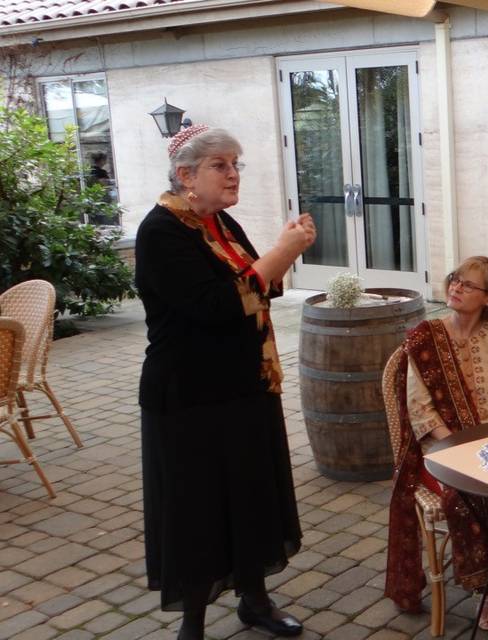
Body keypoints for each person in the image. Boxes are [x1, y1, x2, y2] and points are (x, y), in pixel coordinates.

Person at [136, 125, 316, 640]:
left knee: (250, 496)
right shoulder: (161, 232)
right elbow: (217, 307)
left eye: (236, 163)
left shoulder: (220, 222)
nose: (233, 173)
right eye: (221, 165)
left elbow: (261, 286)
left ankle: (255, 602)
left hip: (244, 386)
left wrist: (285, 253)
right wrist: (282, 252)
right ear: (186, 174)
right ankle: (192, 623)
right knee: (198, 510)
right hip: (190, 396)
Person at [385, 256, 488, 630]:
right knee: (470, 497)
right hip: (443, 450)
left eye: (468, 285)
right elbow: (420, 408)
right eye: (455, 280)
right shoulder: (425, 336)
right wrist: (460, 448)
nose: (456, 287)